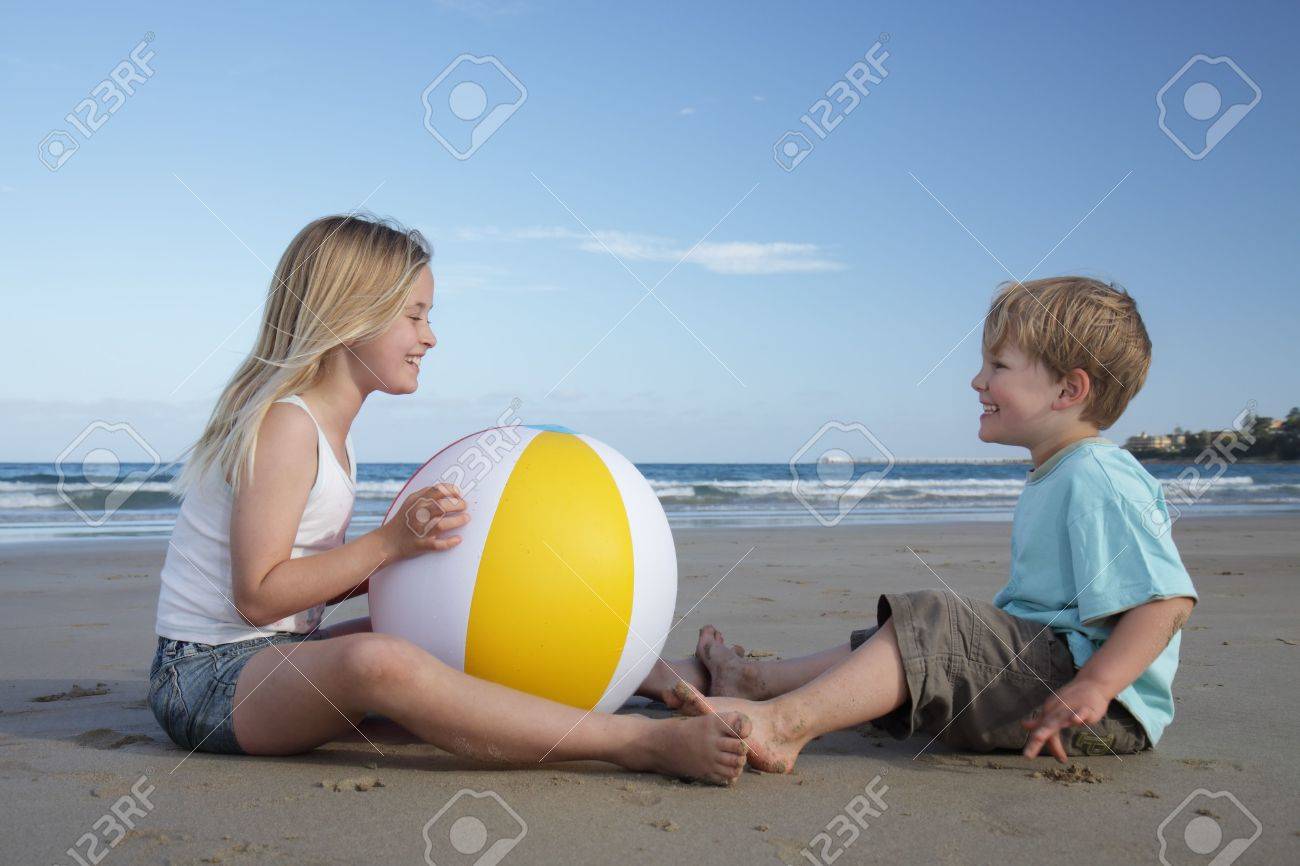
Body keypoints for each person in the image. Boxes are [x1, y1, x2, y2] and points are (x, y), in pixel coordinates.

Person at [149, 213, 748, 784]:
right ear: (350, 316)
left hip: (276, 655)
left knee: (446, 629)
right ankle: (635, 742)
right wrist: (387, 546)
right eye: (414, 317)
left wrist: (419, 555)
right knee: (381, 662)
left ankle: (679, 680)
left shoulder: (326, 430)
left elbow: (300, 582)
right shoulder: (287, 426)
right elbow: (257, 596)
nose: (429, 338)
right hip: (206, 680)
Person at [675, 276, 1198, 769]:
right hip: (1052, 678)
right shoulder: (1057, 472)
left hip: (1094, 708)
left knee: (935, 622)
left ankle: (783, 726)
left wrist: (1099, 686)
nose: (978, 380)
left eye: (999, 366)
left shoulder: (1099, 475)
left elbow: (1167, 601)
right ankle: (754, 680)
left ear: (1067, 391)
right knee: (895, 637)